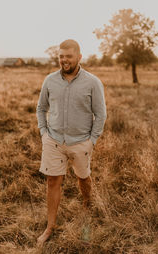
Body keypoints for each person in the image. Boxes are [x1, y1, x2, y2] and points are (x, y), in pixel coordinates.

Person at [36, 39, 106, 246]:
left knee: (83, 178)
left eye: (68, 56)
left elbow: (100, 115)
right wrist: (43, 133)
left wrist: (92, 141)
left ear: (79, 57)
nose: (64, 60)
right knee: (52, 181)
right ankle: (50, 226)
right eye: (61, 56)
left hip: (81, 142)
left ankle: (87, 204)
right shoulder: (50, 80)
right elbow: (41, 108)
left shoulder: (93, 82)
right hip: (54, 140)